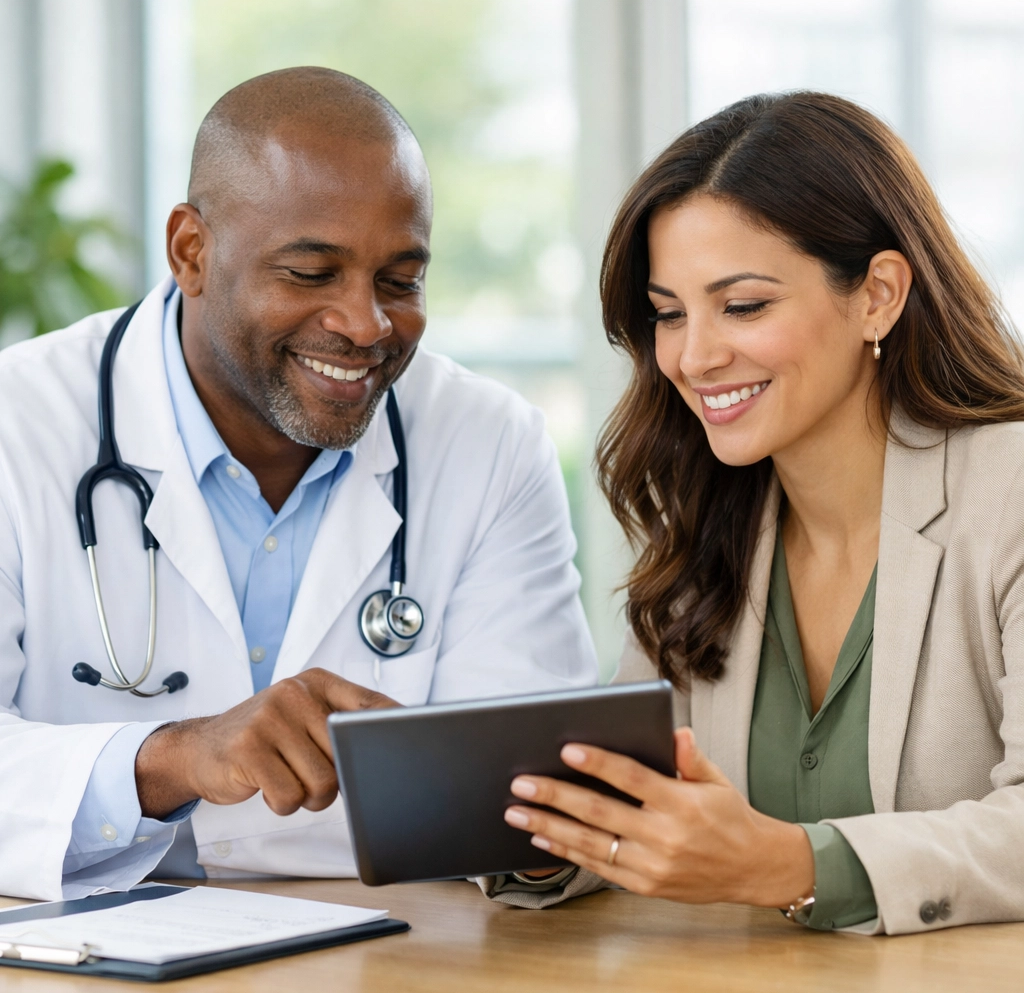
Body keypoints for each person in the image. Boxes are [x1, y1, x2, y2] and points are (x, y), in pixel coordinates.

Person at [0, 67, 597, 902]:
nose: (365, 325)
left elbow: (536, 802)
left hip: (395, 944)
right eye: (311, 273)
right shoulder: (17, 422)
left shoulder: (491, 443)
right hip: (79, 946)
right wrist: (176, 758)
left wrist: (546, 833)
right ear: (192, 251)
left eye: (400, 281)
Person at [500, 91, 1024, 934]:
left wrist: (790, 865)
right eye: (669, 314)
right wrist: (540, 832)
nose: (694, 356)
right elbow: (642, 804)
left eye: (742, 306)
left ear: (878, 295)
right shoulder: (709, 522)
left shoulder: (1010, 493)